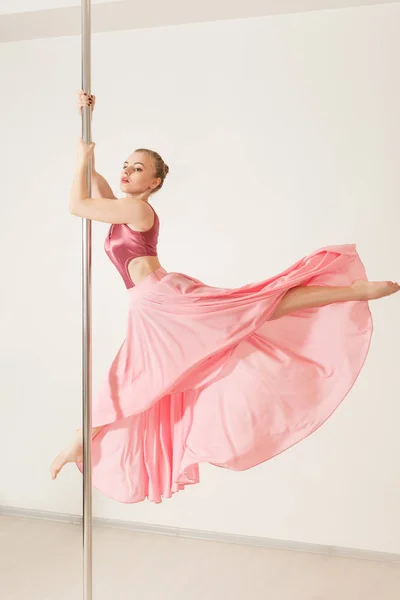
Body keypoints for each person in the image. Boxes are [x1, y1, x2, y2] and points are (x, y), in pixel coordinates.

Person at [50, 91, 399, 504]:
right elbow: (97, 188)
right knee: (138, 377)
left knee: (254, 308)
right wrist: (85, 125)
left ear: (154, 183)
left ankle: (352, 291)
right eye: (125, 165)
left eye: (137, 168)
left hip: (163, 302)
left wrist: (80, 159)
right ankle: (81, 439)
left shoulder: (139, 212)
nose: (126, 172)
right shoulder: (124, 206)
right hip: (151, 307)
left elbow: (78, 205)